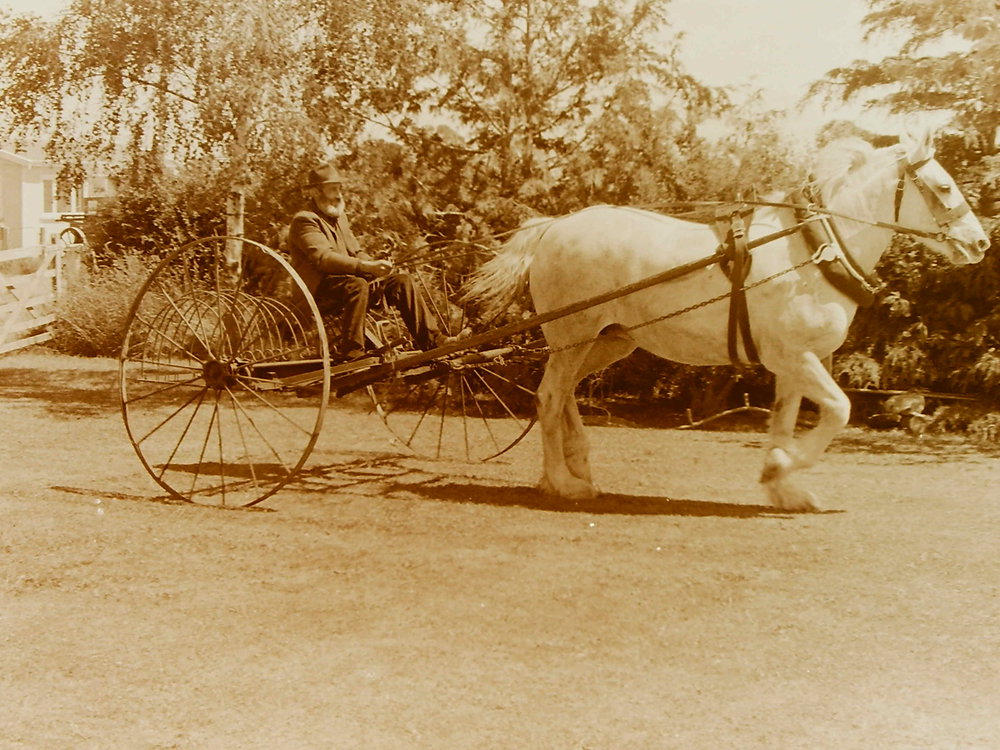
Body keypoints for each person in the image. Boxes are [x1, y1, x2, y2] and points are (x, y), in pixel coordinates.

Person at [286, 161, 456, 360]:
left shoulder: (339, 218)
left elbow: (356, 252)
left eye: (340, 189)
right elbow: (324, 259)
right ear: (315, 192)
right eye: (333, 189)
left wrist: (378, 266)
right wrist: (364, 266)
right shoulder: (304, 220)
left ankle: (433, 341)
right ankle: (352, 351)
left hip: (349, 283)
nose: (339, 194)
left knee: (402, 281)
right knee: (357, 285)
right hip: (319, 290)